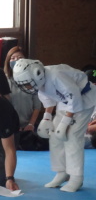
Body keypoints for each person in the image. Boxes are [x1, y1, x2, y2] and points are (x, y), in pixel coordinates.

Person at [13, 59, 96, 192]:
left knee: (72, 136)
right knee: (55, 136)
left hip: (84, 99)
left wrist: (65, 122)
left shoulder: (56, 75)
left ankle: (76, 177)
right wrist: (47, 118)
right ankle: (62, 172)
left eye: (27, 84)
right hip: (65, 102)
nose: (27, 87)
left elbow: (74, 97)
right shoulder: (39, 83)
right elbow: (49, 100)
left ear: (37, 74)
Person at [3, 47, 45, 150]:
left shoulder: (32, 80)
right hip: (10, 128)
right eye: (13, 58)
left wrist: (31, 124)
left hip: (28, 126)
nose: (16, 60)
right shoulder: (4, 80)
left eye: (20, 58)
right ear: (8, 61)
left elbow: (37, 106)